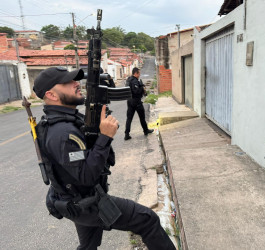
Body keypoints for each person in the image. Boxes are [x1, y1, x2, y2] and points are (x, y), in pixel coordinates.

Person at [32, 67, 176, 250]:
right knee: (148, 220)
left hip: (77, 199)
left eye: (75, 80)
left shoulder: (65, 120)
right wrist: (105, 137)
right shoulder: (62, 133)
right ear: (51, 95)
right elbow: (86, 176)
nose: (76, 84)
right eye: (68, 82)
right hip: (85, 203)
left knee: (88, 245)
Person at [124, 67, 153, 140]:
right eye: (139, 73)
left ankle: (127, 134)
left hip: (129, 101)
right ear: (136, 73)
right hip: (136, 102)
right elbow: (136, 91)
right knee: (142, 117)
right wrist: (142, 88)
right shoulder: (134, 81)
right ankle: (146, 131)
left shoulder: (129, 79)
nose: (139, 75)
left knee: (129, 118)